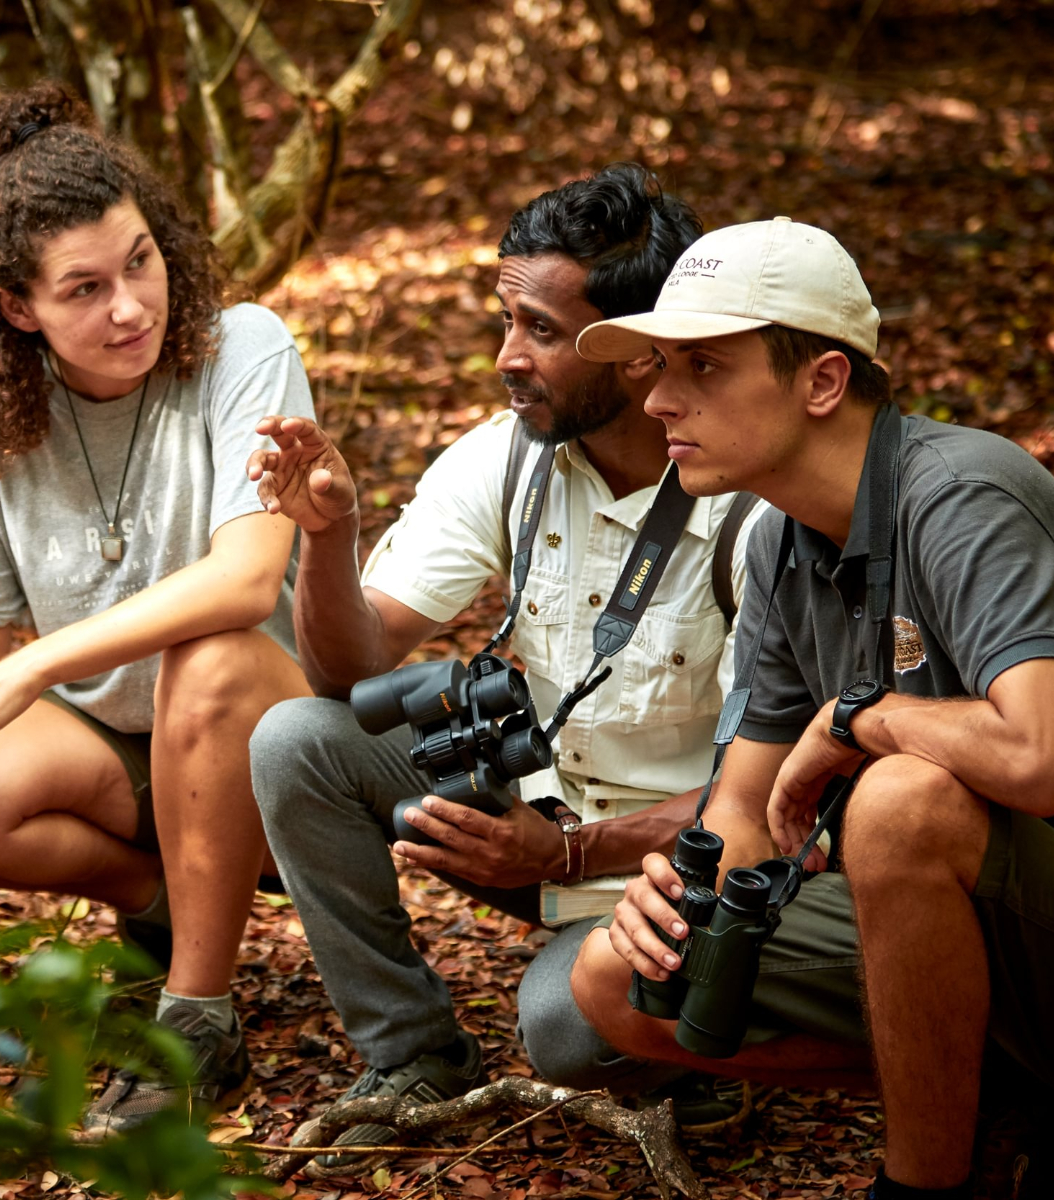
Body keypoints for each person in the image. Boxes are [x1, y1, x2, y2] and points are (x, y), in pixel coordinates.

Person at [245, 163, 770, 1172]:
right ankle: (410, 1054)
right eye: (505, 321)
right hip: (544, 803)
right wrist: (330, 533)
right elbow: (345, 676)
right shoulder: (512, 455)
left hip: (690, 854)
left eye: (537, 329)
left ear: (628, 353)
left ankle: (697, 1043)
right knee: (299, 742)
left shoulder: (747, 503)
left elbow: (783, 792)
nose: (505, 358)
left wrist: (570, 857)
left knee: (562, 1039)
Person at [572, 216, 1054, 1198]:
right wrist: (680, 901)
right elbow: (742, 806)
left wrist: (865, 720)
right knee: (611, 980)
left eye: (704, 368)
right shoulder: (775, 537)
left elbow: (1044, 758)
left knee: (901, 802)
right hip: (979, 932)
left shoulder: (961, 497)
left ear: (822, 382)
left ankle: (924, 1183)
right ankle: (1004, 1102)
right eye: (657, 366)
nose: (658, 396)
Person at [0, 83, 313, 1134]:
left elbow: (248, 579)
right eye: (82, 288)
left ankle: (198, 1022)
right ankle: (158, 896)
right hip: (122, 754)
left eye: (139, 262)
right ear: (14, 307)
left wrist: (35, 667)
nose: (128, 306)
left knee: (209, 658)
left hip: (266, 732)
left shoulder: (241, 346)